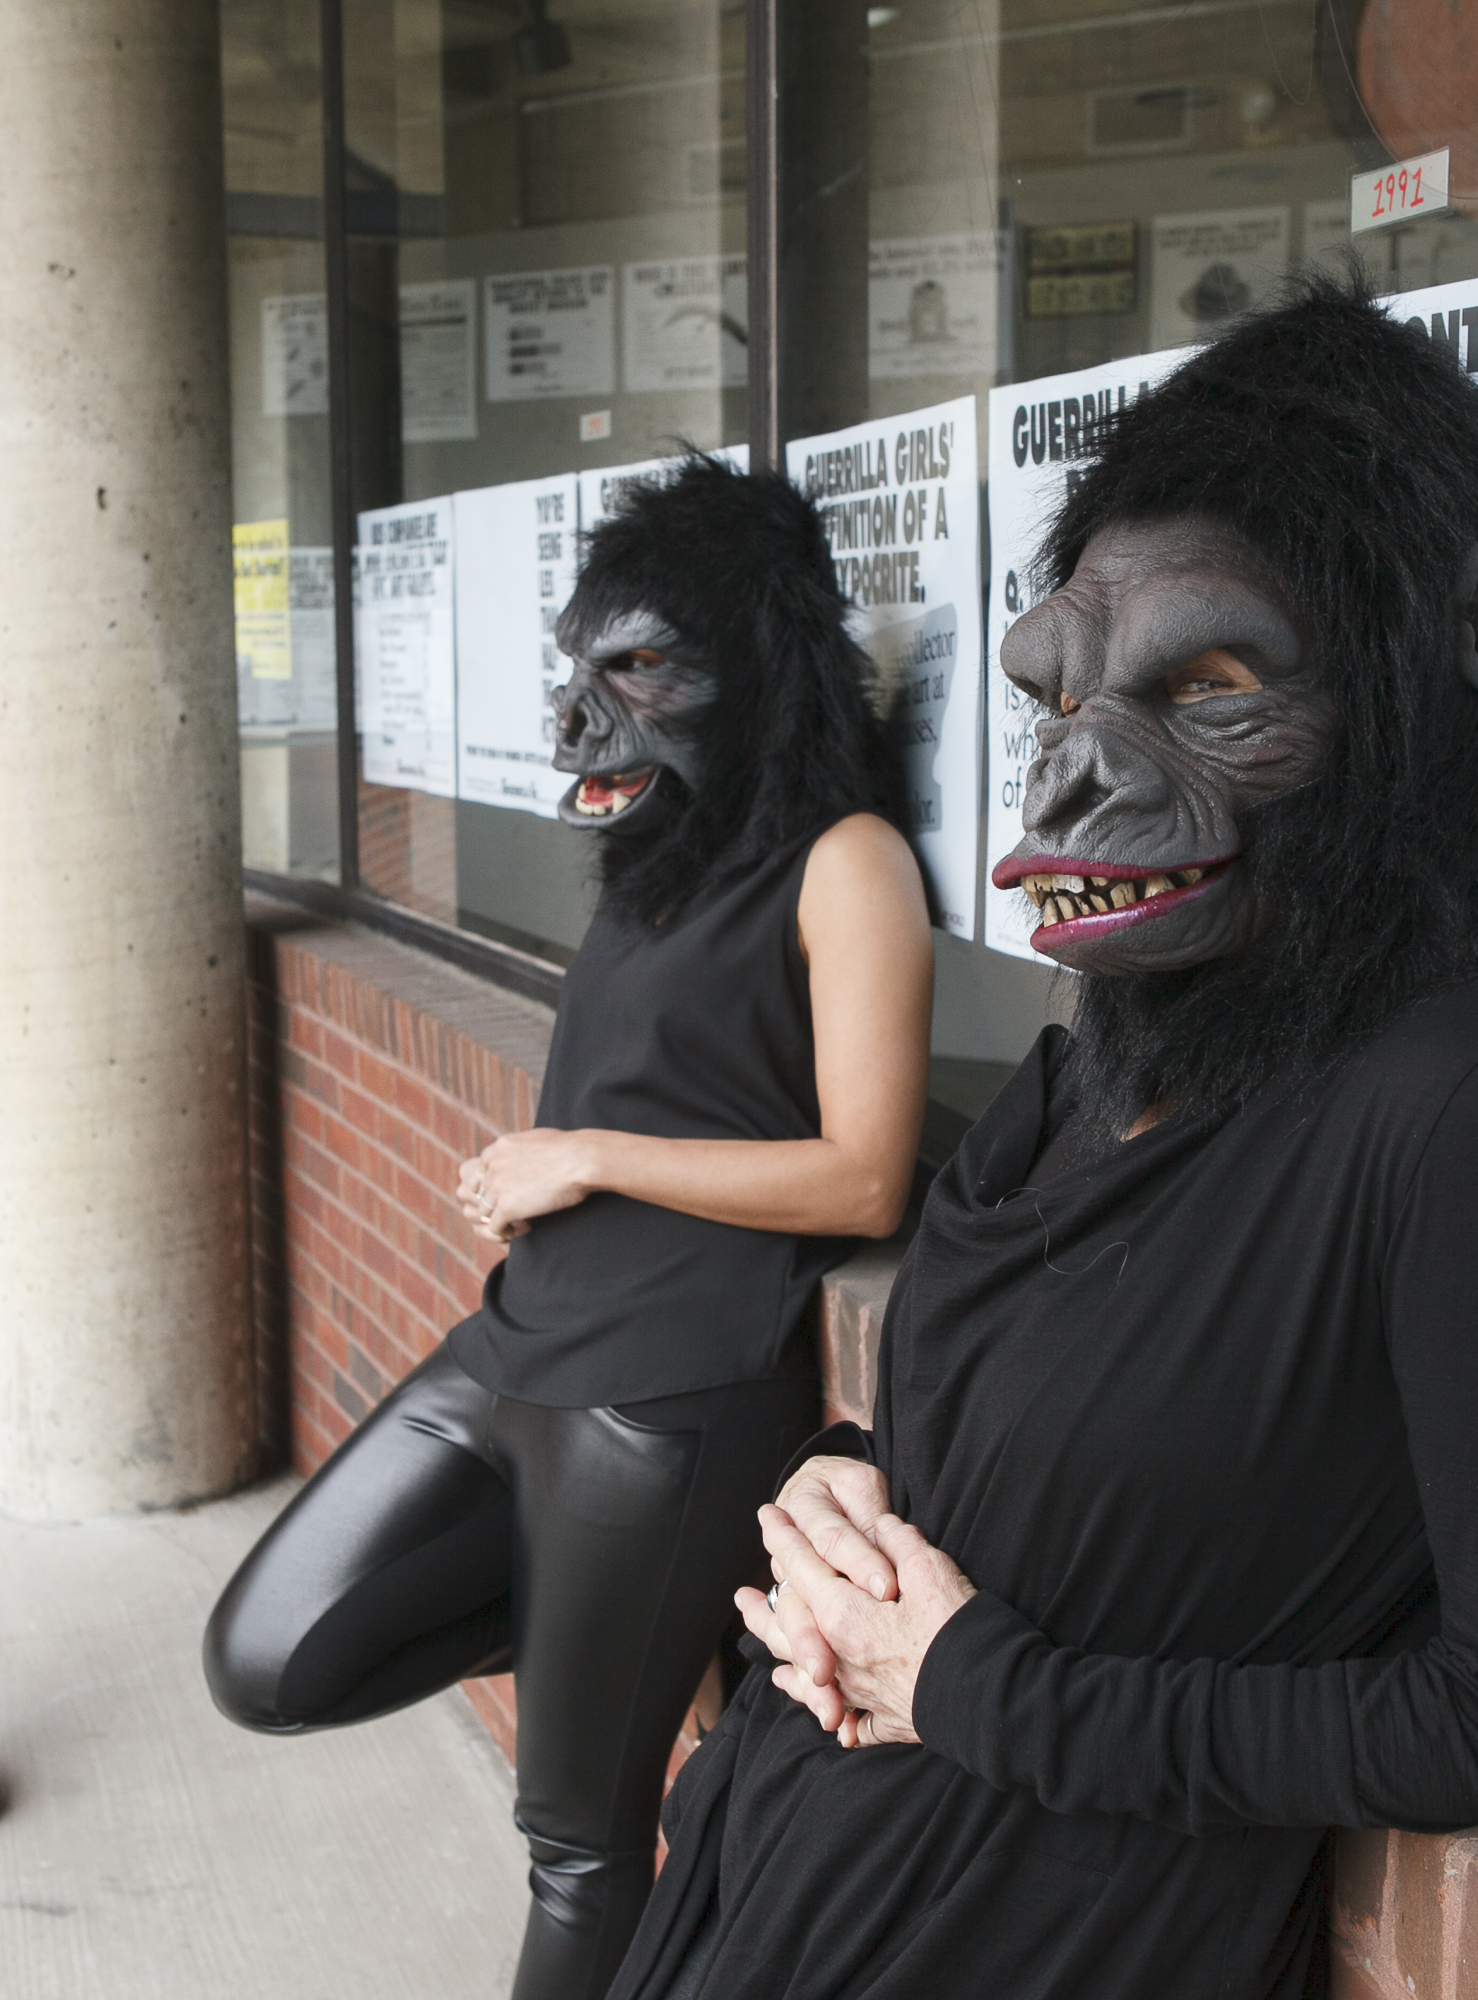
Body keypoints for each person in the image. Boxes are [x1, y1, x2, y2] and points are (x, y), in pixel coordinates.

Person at [605, 278, 1478, 2000]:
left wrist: (974, 1688)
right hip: (780, 1867)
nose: (1069, 783)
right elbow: (1019, 1453)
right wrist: (841, 1477)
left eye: (1207, 687)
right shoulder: (1098, 1057)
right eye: (1064, 696)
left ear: (1462, 635)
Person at [205, 456, 934, 2000]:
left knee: (579, 1845)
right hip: (516, 1346)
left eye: (639, 668)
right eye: (578, 671)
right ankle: (619, 1618)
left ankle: (626, 1620)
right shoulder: (657, 861)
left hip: (664, 1395)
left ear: (758, 665)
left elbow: (867, 1179)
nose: (585, 716)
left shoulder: (846, 863)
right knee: (270, 1654)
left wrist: (590, 1154)